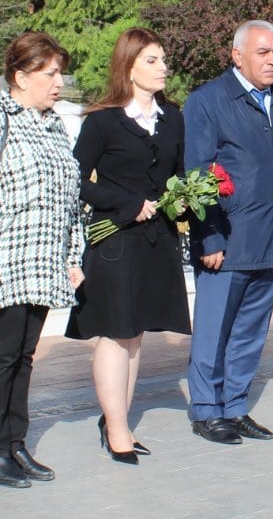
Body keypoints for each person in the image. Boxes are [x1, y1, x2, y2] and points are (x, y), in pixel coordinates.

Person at [0, 32, 86, 489]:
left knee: (25, 357)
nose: (58, 82)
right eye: (49, 73)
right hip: (6, 262)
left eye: (59, 73)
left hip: (44, 262)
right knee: (1, 357)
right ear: (20, 76)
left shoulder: (52, 124)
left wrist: (74, 256)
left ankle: (15, 443)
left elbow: (71, 199)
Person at [67, 27, 191, 462]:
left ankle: (118, 417)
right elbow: (76, 181)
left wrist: (184, 201)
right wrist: (127, 202)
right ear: (129, 67)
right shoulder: (102, 121)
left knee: (135, 335)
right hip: (115, 241)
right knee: (116, 335)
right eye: (152, 61)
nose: (163, 68)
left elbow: (180, 175)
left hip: (157, 242)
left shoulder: (173, 118)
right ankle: (117, 428)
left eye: (163, 59)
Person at [183, 20, 273, 444]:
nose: (272, 60)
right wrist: (210, 236)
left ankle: (235, 406)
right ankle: (206, 409)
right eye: (263, 52)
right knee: (214, 329)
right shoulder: (208, 101)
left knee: (251, 332)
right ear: (237, 56)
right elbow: (196, 174)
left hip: (271, 238)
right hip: (229, 239)